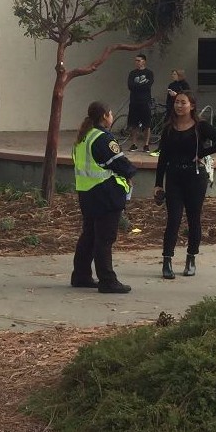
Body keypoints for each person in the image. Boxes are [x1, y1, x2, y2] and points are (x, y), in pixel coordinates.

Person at [153, 91, 216, 279]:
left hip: (195, 177)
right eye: (176, 103)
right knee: (173, 219)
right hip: (174, 176)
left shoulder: (200, 127)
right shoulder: (168, 128)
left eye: (183, 102)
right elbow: (162, 157)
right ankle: (167, 260)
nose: (179, 106)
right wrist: (158, 183)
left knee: (193, 218)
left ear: (192, 105)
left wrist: (203, 153)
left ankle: (191, 258)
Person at [71, 101, 137, 294]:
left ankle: (81, 275)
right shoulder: (102, 138)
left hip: (87, 193)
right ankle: (107, 280)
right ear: (105, 116)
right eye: (110, 113)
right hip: (105, 194)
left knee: (89, 236)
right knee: (104, 238)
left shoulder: (84, 137)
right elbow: (119, 163)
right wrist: (132, 172)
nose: (111, 116)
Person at [126, 53, 155, 153]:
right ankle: (134, 144)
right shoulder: (132, 73)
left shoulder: (149, 73)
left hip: (145, 102)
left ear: (144, 61)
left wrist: (137, 86)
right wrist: (140, 86)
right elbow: (130, 86)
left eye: (139, 60)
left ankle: (146, 145)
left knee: (147, 125)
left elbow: (148, 85)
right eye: (136, 60)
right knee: (134, 124)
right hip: (134, 102)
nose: (137, 62)